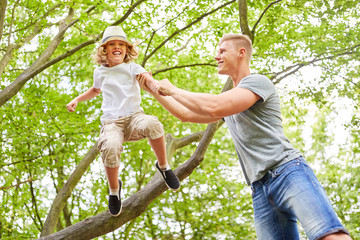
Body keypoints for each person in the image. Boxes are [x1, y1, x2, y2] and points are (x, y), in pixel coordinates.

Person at [138, 34, 352, 240]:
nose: (216, 56)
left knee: (329, 235)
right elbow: (184, 114)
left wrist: (173, 89)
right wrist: (152, 89)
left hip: (287, 172)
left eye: (222, 50)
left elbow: (213, 107)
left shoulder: (258, 82)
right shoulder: (227, 99)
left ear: (241, 53)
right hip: (259, 189)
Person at [66, 26, 180, 217]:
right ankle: (114, 189)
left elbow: (146, 79)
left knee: (153, 124)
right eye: (112, 44)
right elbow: (95, 90)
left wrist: (156, 86)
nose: (117, 47)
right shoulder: (100, 72)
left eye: (121, 44)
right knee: (109, 146)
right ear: (104, 50)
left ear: (127, 49)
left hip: (135, 116)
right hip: (112, 123)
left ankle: (163, 166)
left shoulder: (132, 67)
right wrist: (77, 99)